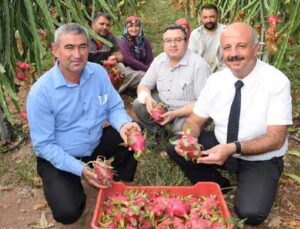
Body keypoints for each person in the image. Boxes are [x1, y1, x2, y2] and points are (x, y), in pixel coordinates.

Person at [167, 22, 292, 226]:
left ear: (256, 48)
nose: (233, 54)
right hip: (221, 142)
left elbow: (276, 139)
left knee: (250, 213)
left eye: (241, 46)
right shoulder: (216, 80)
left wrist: (233, 148)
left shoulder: (276, 82)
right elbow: (195, 120)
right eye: (227, 48)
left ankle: (255, 180)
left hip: (260, 156)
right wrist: (189, 137)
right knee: (176, 146)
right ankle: (219, 184)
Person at [26, 23, 139, 224]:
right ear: (55, 50)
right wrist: (81, 170)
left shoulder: (98, 73)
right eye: (69, 47)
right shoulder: (40, 92)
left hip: (94, 142)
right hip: (60, 153)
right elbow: (44, 145)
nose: (77, 54)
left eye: (82, 46)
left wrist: (123, 126)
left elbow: (114, 107)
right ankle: (78, 175)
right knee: (68, 212)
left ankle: (119, 181)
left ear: (89, 48)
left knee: (134, 133)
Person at [133, 24, 210, 136]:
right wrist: (148, 98)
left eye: (178, 40)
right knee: (138, 103)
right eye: (168, 41)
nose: (173, 44)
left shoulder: (198, 65)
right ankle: (158, 133)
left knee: (182, 128)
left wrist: (175, 114)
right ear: (164, 44)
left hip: (187, 110)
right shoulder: (159, 60)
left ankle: (178, 134)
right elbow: (143, 85)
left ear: (187, 42)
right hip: (163, 103)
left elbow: (203, 103)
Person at [117, 16, 154, 93]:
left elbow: (150, 59)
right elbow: (129, 60)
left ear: (140, 27)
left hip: (144, 69)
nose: (134, 29)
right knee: (142, 76)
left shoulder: (145, 40)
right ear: (126, 27)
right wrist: (148, 71)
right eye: (130, 26)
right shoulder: (122, 41)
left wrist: (150, 70)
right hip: (130, 69)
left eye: (136, 26)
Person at [189, 3, 225, 72]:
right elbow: (191, 58)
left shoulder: (225, 32)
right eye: (205, 17)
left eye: (212, 17)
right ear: (201, 18)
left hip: (222, 72)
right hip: (200, 72)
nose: (208, 20)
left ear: (217, 16)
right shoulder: (196, 34)